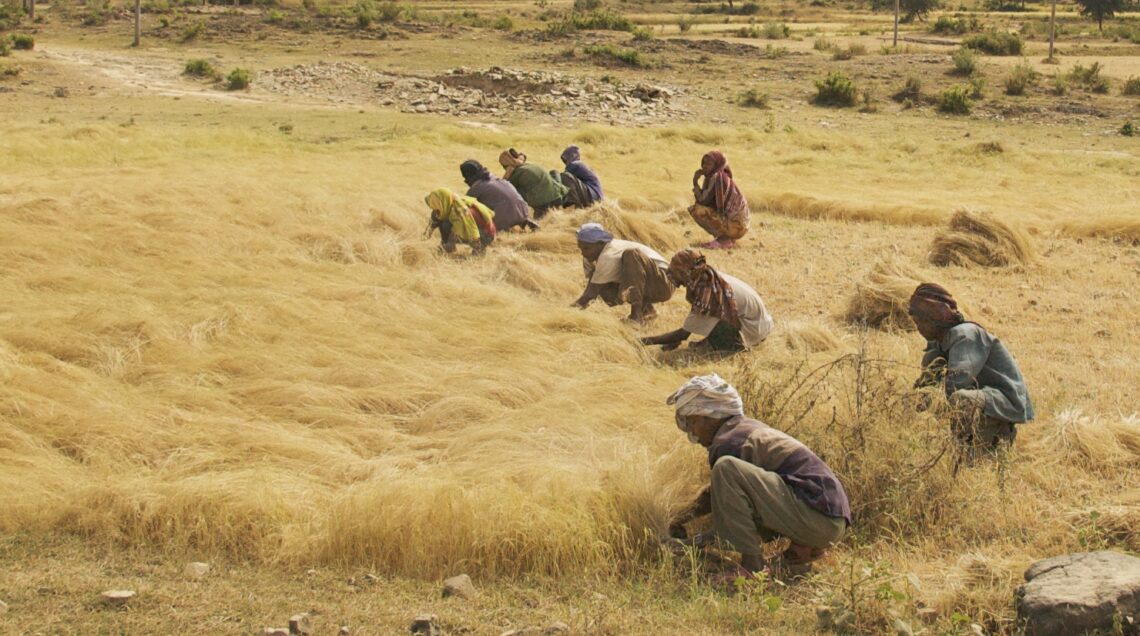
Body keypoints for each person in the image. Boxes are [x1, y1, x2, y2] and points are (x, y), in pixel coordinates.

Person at [666, 374, 851, 578]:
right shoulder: (742, 430)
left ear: (710, 416)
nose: (692, 431)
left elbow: (714, 498)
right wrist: (695, 542)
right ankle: (805, 546)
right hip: (829, 520)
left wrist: (678, 519)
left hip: (818, 517)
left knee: (725, 468)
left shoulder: (729, 441)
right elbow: (739, 512)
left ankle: (752, 567)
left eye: (692, 422)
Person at [909, 283, 1035, 458]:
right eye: (916, 323)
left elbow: (956, 382)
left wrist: (929, 401)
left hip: (1003, 399)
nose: (919, 328)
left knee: (961, 400)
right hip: (983, 396)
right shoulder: (937, 341)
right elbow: (926, 382)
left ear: (935, 317)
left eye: (922, 321)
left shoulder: (964, 335)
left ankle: (976, 448)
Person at [641, 249, 772, 353]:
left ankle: (735, 348)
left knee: (716, 327)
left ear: (687, 273)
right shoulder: (707, 276)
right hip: (758, 323)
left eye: (678, 275)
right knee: (709, 321)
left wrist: (642, 342)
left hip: (754, 329)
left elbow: (683, 333)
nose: (677, 282)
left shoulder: (708, 293)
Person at [572, 223, 674, 323]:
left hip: (665, 282)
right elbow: (592, 287)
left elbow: (590, 294)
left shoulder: (608, 255)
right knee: (604, 288)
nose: (583, 253)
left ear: (600, 243)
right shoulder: (589, 258)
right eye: (580, 248)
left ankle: (636, 317)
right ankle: (647, 311)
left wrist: (568, 313)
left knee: (631, 255)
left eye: (587, 248)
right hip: (648, 284)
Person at [689, 150, 750, 250]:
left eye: (708, 163)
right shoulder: (718, 177)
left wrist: (695, 182)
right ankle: (727, 238)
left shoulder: (717, 177)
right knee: (700, 208)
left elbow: (702, 200)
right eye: (703, 163)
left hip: (736, 224)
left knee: (697, 210)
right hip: (741, 225)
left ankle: (724, 239)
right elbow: (704, 200)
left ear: (716, 164)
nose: (704, 166)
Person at [460, 159, 539, 232]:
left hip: (504, 219)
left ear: (468, 177)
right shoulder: (496, 179)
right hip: (523, 211)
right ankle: (521, 221)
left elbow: (464, 208)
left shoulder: (476, 188)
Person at [499, 148, 569, 219]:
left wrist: (508, 173)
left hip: (545, 205)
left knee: (514, 192)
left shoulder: (516, 173)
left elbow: (504, 190)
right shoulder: (529, 164)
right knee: (553, 173)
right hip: (558, 198)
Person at [424, 188, 496, 254]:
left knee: (446, 225)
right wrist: (421, 241)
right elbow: (431, 225)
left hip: (485, 233)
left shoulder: (460, 211)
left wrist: (449, 244)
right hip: (476, 229)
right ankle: (445, 243)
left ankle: (480, 249)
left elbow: (470, 229)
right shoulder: (448, 205)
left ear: (443, 202)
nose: (435, 212)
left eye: (437, 208)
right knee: (443, 222)